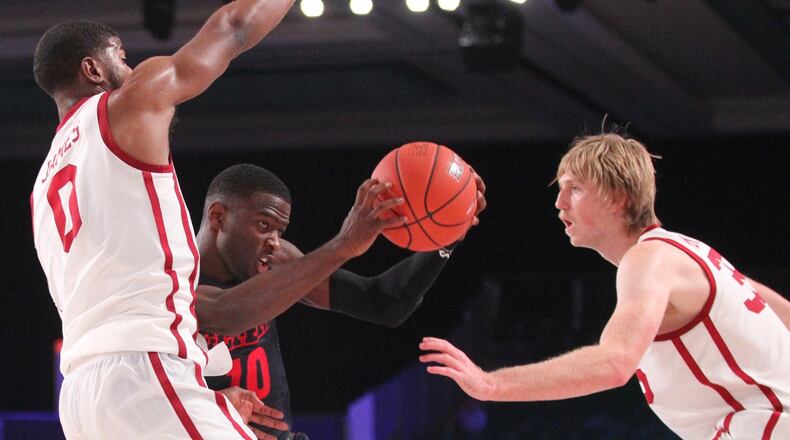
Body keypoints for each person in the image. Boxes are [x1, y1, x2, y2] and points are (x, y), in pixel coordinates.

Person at [29, 3, 408, 438]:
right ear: (94, 69)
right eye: (121, 56)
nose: (130, 68)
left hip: (82, 398)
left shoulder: (42, 187)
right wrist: (345, 244)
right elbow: (233, 27)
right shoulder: (127, 104)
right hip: (146, 371)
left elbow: (186, 306)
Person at [419, 133, 790, 439]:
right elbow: (783, 312)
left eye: (575, 189)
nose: (559, 202)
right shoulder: (694, 252)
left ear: (618, 198)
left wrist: (491, 385)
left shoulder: (647, 260)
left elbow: (614, 364)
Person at [195, 163, 486, 439]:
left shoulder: (274, 259)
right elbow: (227, 314)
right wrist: (343, 244)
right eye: (263, 224)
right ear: (218, 216)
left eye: (279, 231)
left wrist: (446, 234)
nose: (273, 241)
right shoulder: (174, 277)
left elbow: (383, 302)